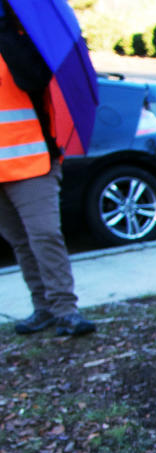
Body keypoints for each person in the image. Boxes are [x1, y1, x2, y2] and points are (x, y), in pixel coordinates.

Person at [0, 3, 95, 336]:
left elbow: (33, 79)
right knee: (20, 241)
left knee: (44, 235)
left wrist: (4, 32)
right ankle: (43, 309)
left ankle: (66, 310)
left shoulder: (22, 37)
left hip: (32, 160)